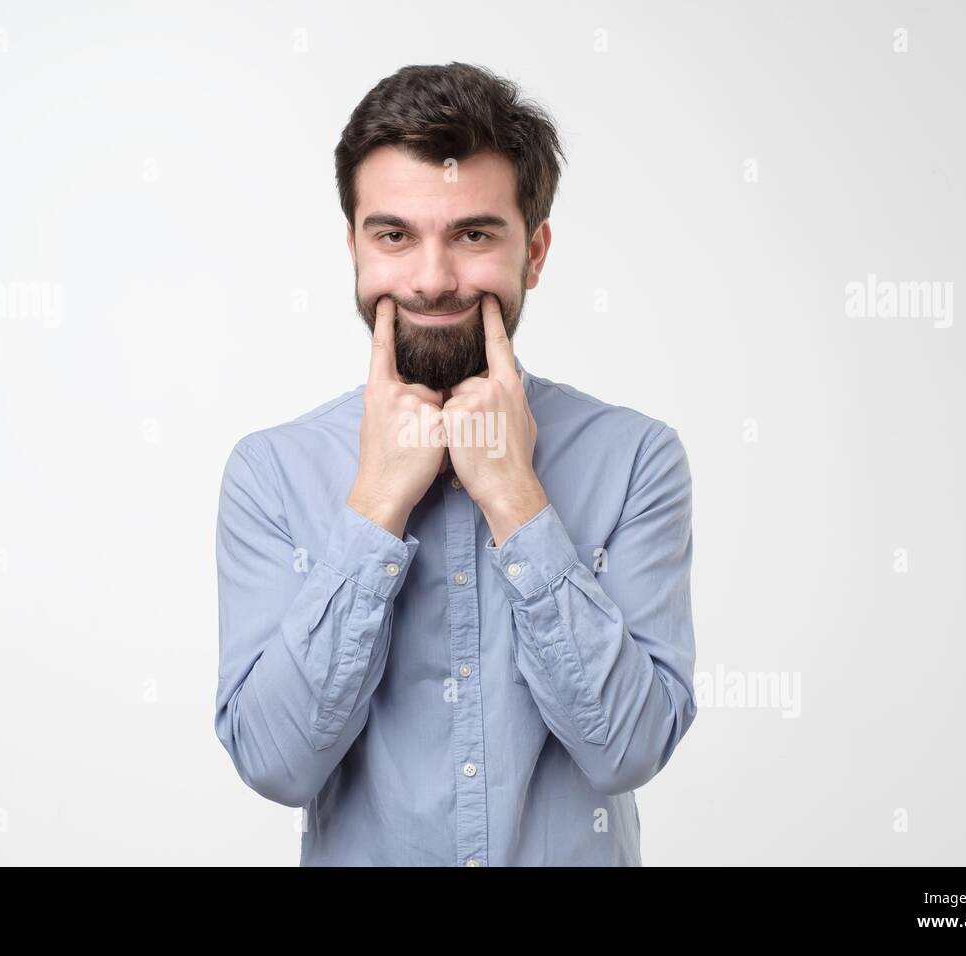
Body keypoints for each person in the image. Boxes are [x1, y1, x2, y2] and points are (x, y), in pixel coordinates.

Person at [214, 62, 697, 866]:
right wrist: (373, 509)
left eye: (473, 234)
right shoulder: (271, 473)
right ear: (354, 248)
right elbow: (274, 763)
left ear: (533, 252)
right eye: (394, 234)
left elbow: (629, 749)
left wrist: (517, 503)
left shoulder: (637, 459)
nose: (432, 280)